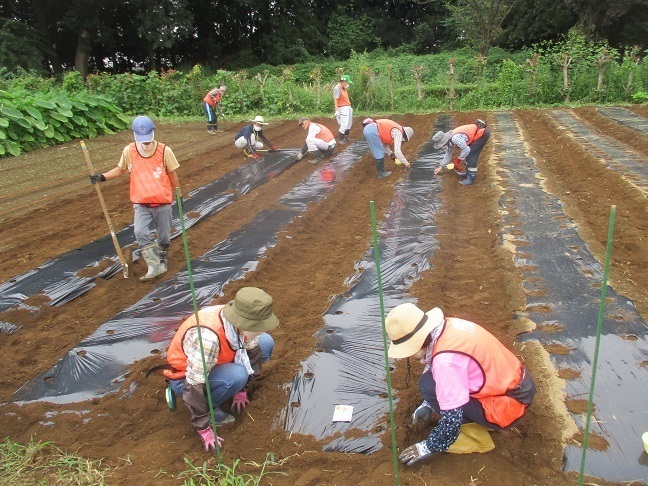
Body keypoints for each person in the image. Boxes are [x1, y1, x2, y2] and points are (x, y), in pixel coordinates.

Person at [385, 303, 536, 466]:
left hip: (507, 408)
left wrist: (428, 446)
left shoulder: (445, 362)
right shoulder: (447, 327)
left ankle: (476, 438)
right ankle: (478, 419)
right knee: (431, 381)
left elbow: (452, 418)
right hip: (516, 387)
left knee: (428, 385)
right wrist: (428, 405)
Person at [164, 287, 279, 451]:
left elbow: (252, 352)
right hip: (185, 379)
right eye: (258, 326)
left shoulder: (237, 322)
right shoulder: (208, 339)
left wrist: (243, 389)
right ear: (243, 323)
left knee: (265, 342)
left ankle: (232, 385)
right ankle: (211, 409)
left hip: (216, 363)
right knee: (237, 375)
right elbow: (194, 384)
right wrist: (203, 427)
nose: (262, 329)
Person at [90, 116, 181, 282]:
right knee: (140, 231)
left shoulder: (164, 151)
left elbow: (172, 173)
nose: (145, 144)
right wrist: (102, 177)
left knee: (164, 238)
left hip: (162, 202)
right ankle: (153, 266)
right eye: (142, 141)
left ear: (153, 132)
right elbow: (120, 169)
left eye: (148, 141)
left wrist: (178, 193)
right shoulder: (129, 151)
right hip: (141, 203)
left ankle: (162, 261)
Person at [432, 119, 490, 186]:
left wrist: (457, 160)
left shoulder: (455, 138)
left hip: (482, 134)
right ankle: (467, 174)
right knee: (468, 153)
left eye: (442, 144)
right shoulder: (450, 139)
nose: (443, 145)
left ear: (444, 141)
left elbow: (466, 150)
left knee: (471, 154)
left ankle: (471, 179)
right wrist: (441, 166)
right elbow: (448, 153)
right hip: (476, 134)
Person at [333, 75, 354, 145]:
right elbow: (335, 100)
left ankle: (346, 136)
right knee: (344, 124)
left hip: (348, 107)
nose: (348, 84)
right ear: (343, 81)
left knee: (349, 123)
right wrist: (336, 110)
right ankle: (340, 139)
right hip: (342, 108)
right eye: (347, 82)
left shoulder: (343, 88)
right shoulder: (337, 89)